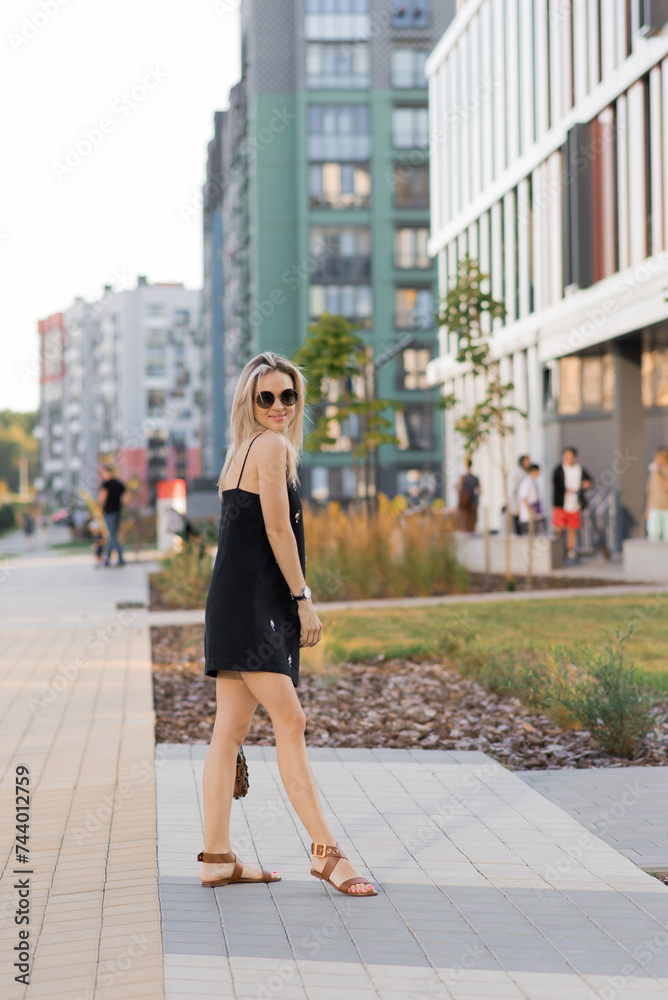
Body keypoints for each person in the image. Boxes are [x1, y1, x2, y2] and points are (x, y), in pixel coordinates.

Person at [200, 352, 377, 897]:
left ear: (298, 399)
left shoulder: (240, 452)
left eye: (288, 396)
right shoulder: (271, 447)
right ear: (249, 403)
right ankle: (327, 854)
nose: (278, 407)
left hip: (233, 603)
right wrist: (303, 599)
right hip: (254, 608)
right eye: (266, 397)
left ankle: (216, 859)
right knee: (291, 721)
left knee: (228, 733)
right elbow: (277, 528)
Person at [552, 446, 592, 564]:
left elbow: (588, 480)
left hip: (574, 504)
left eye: (570, 457)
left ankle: (571, 550)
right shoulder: (559, 469)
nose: (568, 459)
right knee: (559, 527)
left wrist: (586, 484)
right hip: (561, 503)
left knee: (572, 528)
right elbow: (557, 485)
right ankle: (558, 548)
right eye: (566, 457)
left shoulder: (579, 469)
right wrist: (566, 490)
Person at [97, 464, 126, 567]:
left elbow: (102, 497)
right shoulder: (119, 483)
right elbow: (127, 496)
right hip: (118, 512)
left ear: (106, 472)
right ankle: (107, 560)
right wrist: (123, 506)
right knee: (112, 535)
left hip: (109, 512)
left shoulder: (106, 484)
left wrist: (100, 508)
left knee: (112, 536)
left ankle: (121, 558)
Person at [645, 446, 668, 541]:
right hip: (654, 508)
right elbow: (650, 491)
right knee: (653, 535)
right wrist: (647, 508)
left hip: (666, 508)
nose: (656, 460)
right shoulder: (653, 472)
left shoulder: (659, 472)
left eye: (658, 457)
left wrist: (659, 474)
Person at [518, 464, 545, 535]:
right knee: (528, 536)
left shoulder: (533, 482)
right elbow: (524, 498)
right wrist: (530, 510)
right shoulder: (526, 482)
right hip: (528, 516)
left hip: (534, 513)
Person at [509, 455, 532, 535]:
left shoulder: (527, 474)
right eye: (527, 462)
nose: (529, 463)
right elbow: (512, 491)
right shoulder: (517, 474)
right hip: (518, 508)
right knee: (518, 533)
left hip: (525, 508)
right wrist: (515, 507)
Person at [457, 460, 480, 532]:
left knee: (464, 519)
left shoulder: (463, 478)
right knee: (472, 519)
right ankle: (471, 531)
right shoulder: (475, 478)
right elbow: (480, 491)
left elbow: (459, 488)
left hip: (465, 502)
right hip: (473, 501)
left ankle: (466, 532)